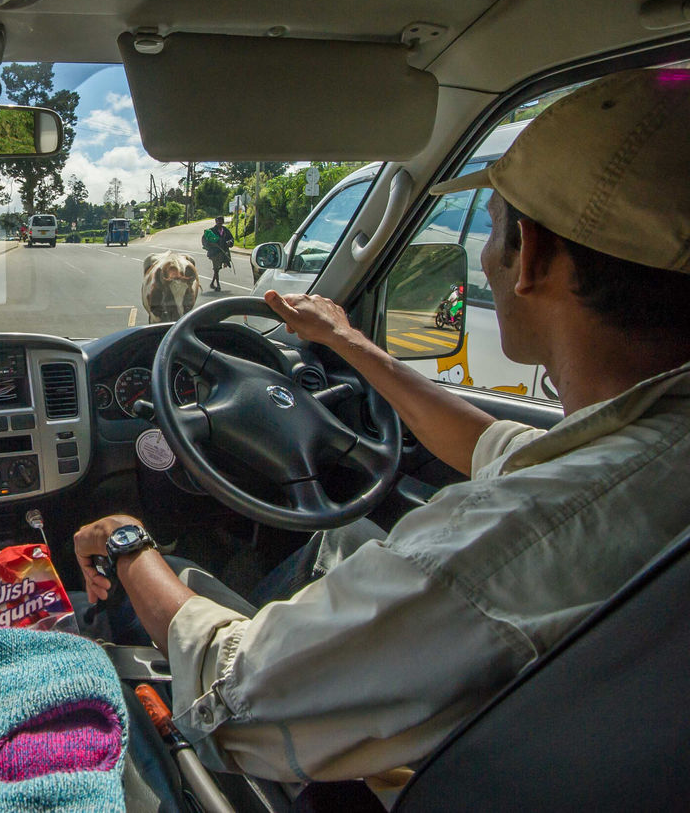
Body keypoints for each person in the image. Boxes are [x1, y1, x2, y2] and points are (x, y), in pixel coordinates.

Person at [74, 68, 690, 783]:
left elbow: (237, 703)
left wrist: (124, 539)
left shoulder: (506, 554)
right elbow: (498, 448)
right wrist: (347, 343)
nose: (483, 261)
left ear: (536, 258)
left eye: (491, 233)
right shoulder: (640, 453)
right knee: (347, 531)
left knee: (167, 583)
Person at [201, 215, 234, 291]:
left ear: (223, 222)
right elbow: (204, 239)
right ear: (216, 222)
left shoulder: (225, 230)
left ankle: (212, 283)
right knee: (216, 267)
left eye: (221, 222)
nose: (219, 223)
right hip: (214, 252)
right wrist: (210, 245)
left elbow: (231, 238)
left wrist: (230, 242)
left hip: (224, 251)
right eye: (218, 222)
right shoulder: (211, 231)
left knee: (218, 268)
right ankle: (218, 285)